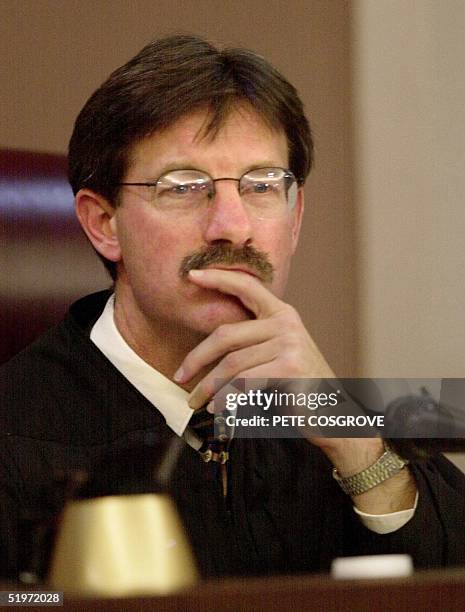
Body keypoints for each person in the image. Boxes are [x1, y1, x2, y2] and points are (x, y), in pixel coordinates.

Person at [1, 35, 464, 581]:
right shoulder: (18, 434)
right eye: (184, 187)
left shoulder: (331, 409)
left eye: (262, 186)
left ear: (294, 218)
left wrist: (355, 443)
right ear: (105, 224)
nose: (234, 227)